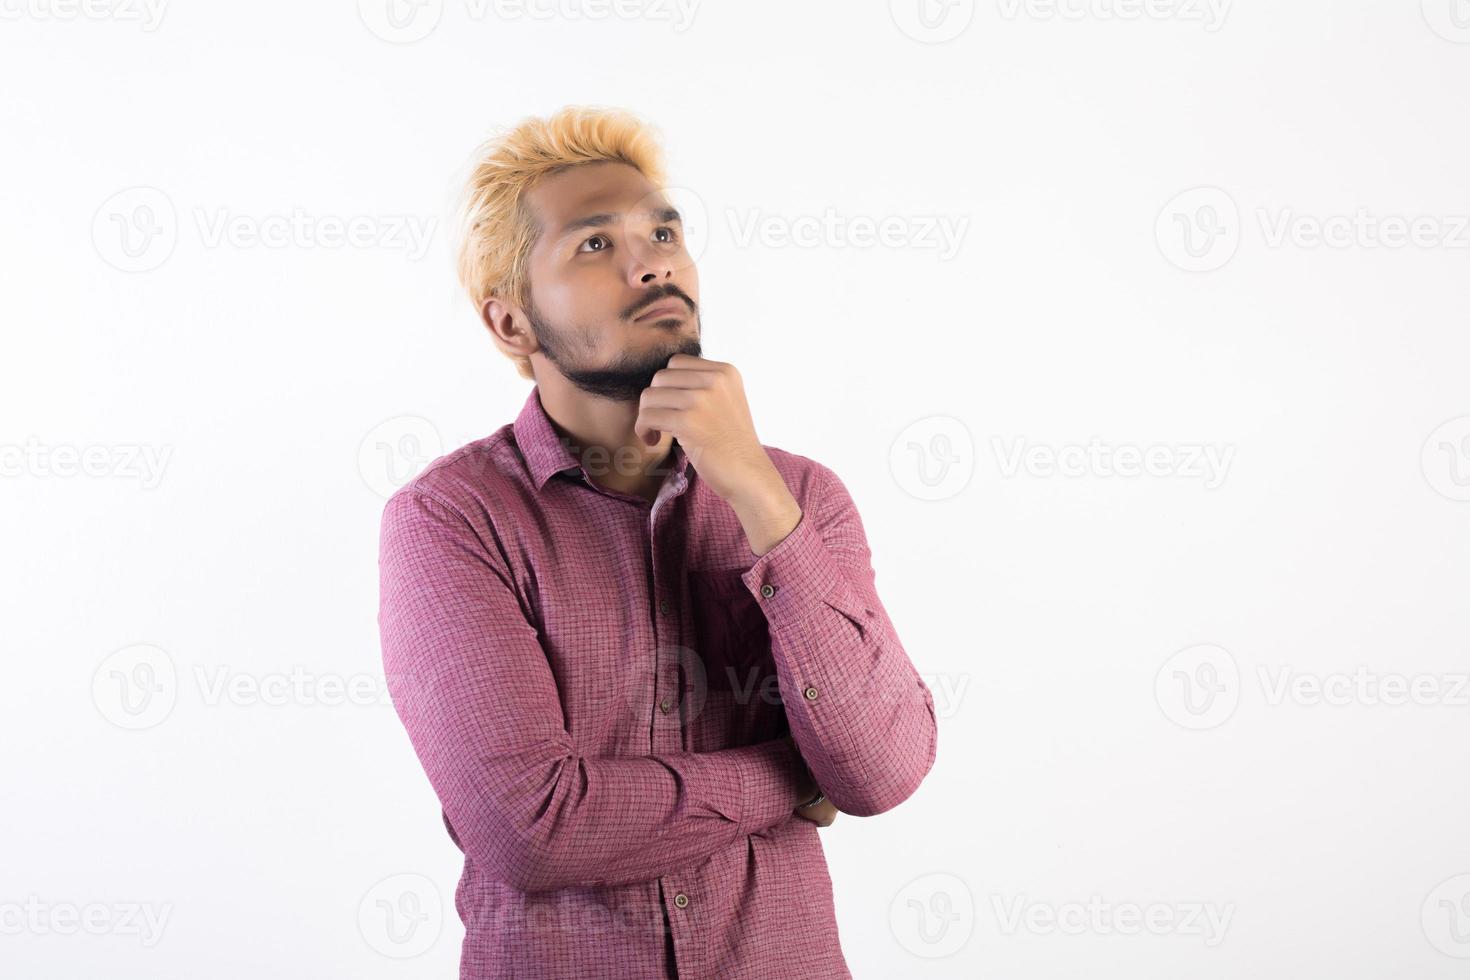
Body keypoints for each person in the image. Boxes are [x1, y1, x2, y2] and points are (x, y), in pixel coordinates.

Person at [377, 105, 938, 979]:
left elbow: (880, 773)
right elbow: (531, 826)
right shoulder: (453, 520)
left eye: (664, 230)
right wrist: (789, 774)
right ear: (512, 325)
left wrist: (755, 493)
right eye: (594, 246)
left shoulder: (802, 499)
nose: (653, 261)